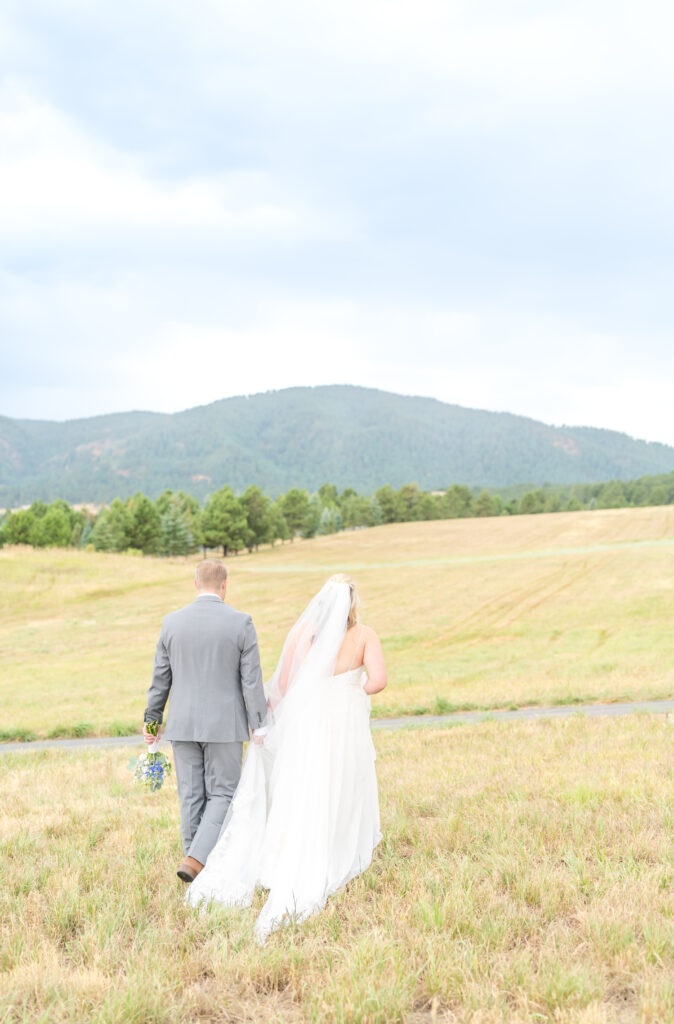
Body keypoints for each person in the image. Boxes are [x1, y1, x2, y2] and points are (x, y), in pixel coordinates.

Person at [186, 573, 387, 941]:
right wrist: (354, 687)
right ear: (353, 603)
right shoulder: (364, 635)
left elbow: (280, 686)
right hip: (342, 725)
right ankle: (334, 845)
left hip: (306, 723)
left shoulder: (303, 633)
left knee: (299, 784)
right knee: (340, 783)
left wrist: (269, 720)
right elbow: (378, 681)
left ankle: (279, 854)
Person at [143, 559, 267, 883]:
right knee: (223, 794)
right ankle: (197, 861)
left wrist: (152, 723)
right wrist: (259, 723)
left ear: (195, 584)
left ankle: (195, 869)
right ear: (225, 585)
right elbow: (251, 680)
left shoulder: (172, 623)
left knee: (190, 795)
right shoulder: (242, 622)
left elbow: (160, 680)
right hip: (225, 725)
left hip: (182, 724)